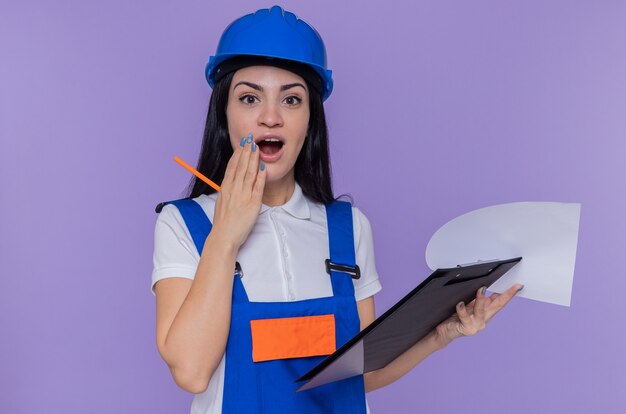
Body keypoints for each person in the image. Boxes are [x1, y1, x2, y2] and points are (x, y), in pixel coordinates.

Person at [151, 5, 522, 413]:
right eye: (249, 98)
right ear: (224, 115)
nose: (270, 117)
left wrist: (443, 332)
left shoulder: (348, 229)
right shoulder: (183, 224)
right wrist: (225, 234)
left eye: (291, 99)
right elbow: (191, 372)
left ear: (310, 120)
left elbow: (362, 373)